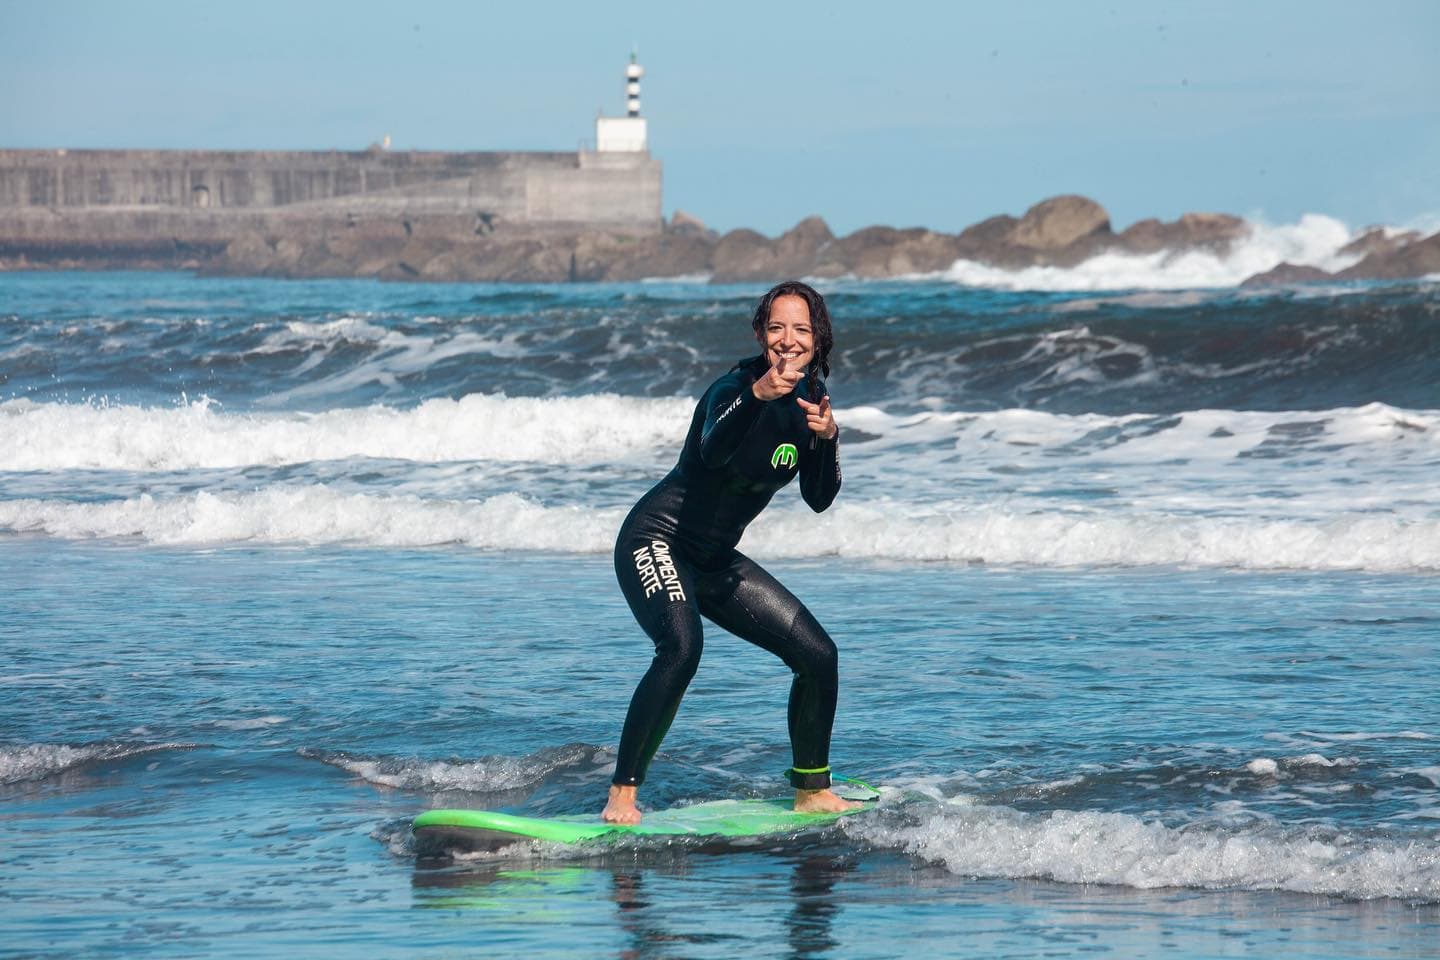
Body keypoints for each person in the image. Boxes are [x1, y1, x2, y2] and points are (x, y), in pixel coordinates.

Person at [602, 280, 860, 824]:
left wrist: (828, 438)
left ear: (820, 340)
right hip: (657, 538)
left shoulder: (811, 403)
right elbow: (712, 451)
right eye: (776, 328)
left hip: (714, 557)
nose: (787, 340)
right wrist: (756, 397)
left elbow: (818, 499)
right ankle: (622, 793)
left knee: (818, 656)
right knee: (681, 648)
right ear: (761, 335)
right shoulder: (733, 388)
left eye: (801, 329)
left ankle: (812, 788)